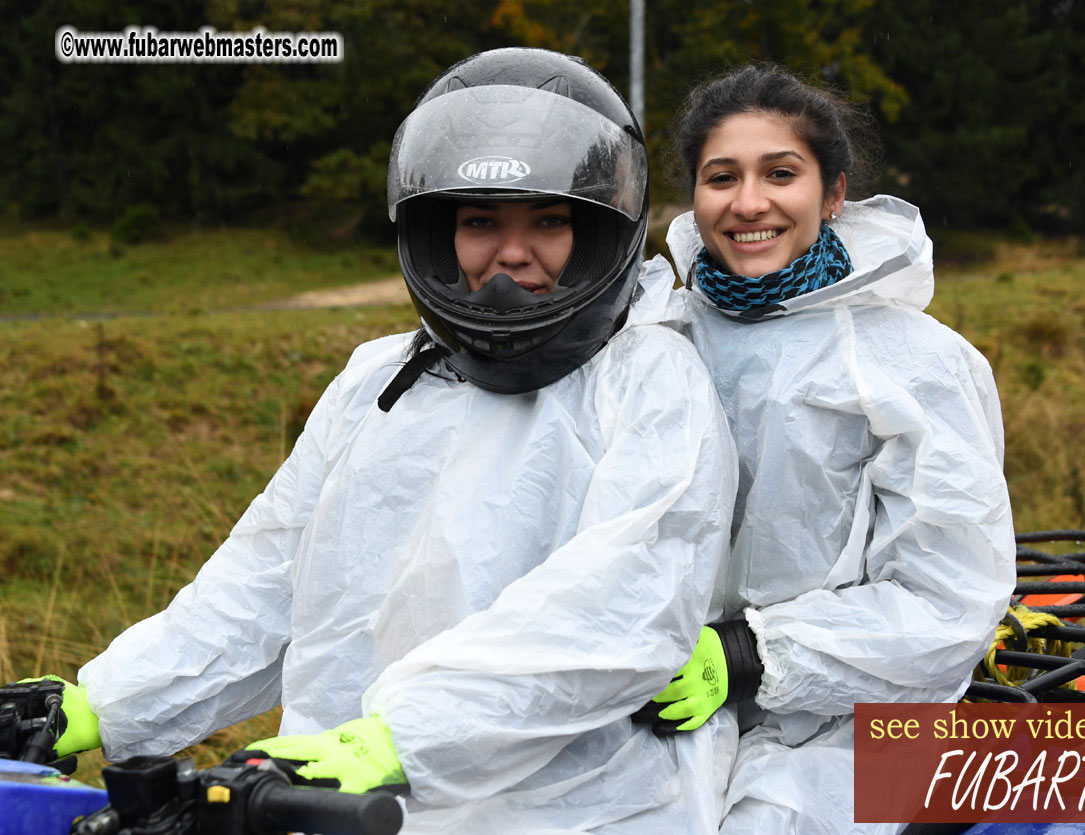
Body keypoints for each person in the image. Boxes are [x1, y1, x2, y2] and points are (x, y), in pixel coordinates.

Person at [16, 49, 740, 832]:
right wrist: (100, 704)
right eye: (479, 222)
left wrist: (401, 738)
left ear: (602, 230)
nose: (510, 255)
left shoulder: (650, 381)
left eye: (549, 221)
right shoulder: (379, 381)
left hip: (574, 810)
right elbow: (267, 582)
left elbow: (612, 614)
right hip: (339, 796)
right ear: (435, 231)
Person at [633, 65, 1018, 833]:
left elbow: (948, 600)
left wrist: (749, 655)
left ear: (833, 193)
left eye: (780, 173)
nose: (748, 203)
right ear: (694, 196)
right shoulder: (651, 339)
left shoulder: (914, 366)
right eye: (721, 177)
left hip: (843, 720)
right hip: (657, 700)